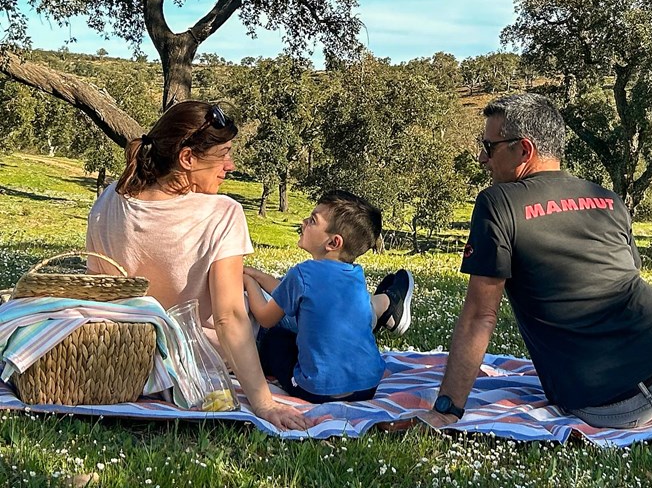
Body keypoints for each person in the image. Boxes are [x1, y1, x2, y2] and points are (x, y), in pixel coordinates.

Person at [427, 93, 652, 429]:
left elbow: (481, 315)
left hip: (597, 406)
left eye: (488, 146)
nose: (481, 158)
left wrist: (447, 408)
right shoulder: (605, 198)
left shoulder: (497, 203)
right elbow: (624, 277)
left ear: (524, 150)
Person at [85, 101, 412, 429]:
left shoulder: (109, 198)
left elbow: (101, 294)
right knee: (312, 315)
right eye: (223, 154)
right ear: (187, 158)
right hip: (209, 355)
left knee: (300, 298)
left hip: (132, 358)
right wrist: (264, 404)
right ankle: (384, 306)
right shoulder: (220, 213)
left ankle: (383, 306)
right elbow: (229, 318)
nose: (230, 165)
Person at [244, 190, 387, 403]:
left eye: (312, 220)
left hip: (317, 390)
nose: (303, 222)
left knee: (274, 338)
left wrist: (248, 282)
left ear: (333, 243)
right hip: (368, 386)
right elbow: (287, 291)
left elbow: (266, 317)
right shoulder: (355, 275)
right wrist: (257, 274)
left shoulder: (302, 273)